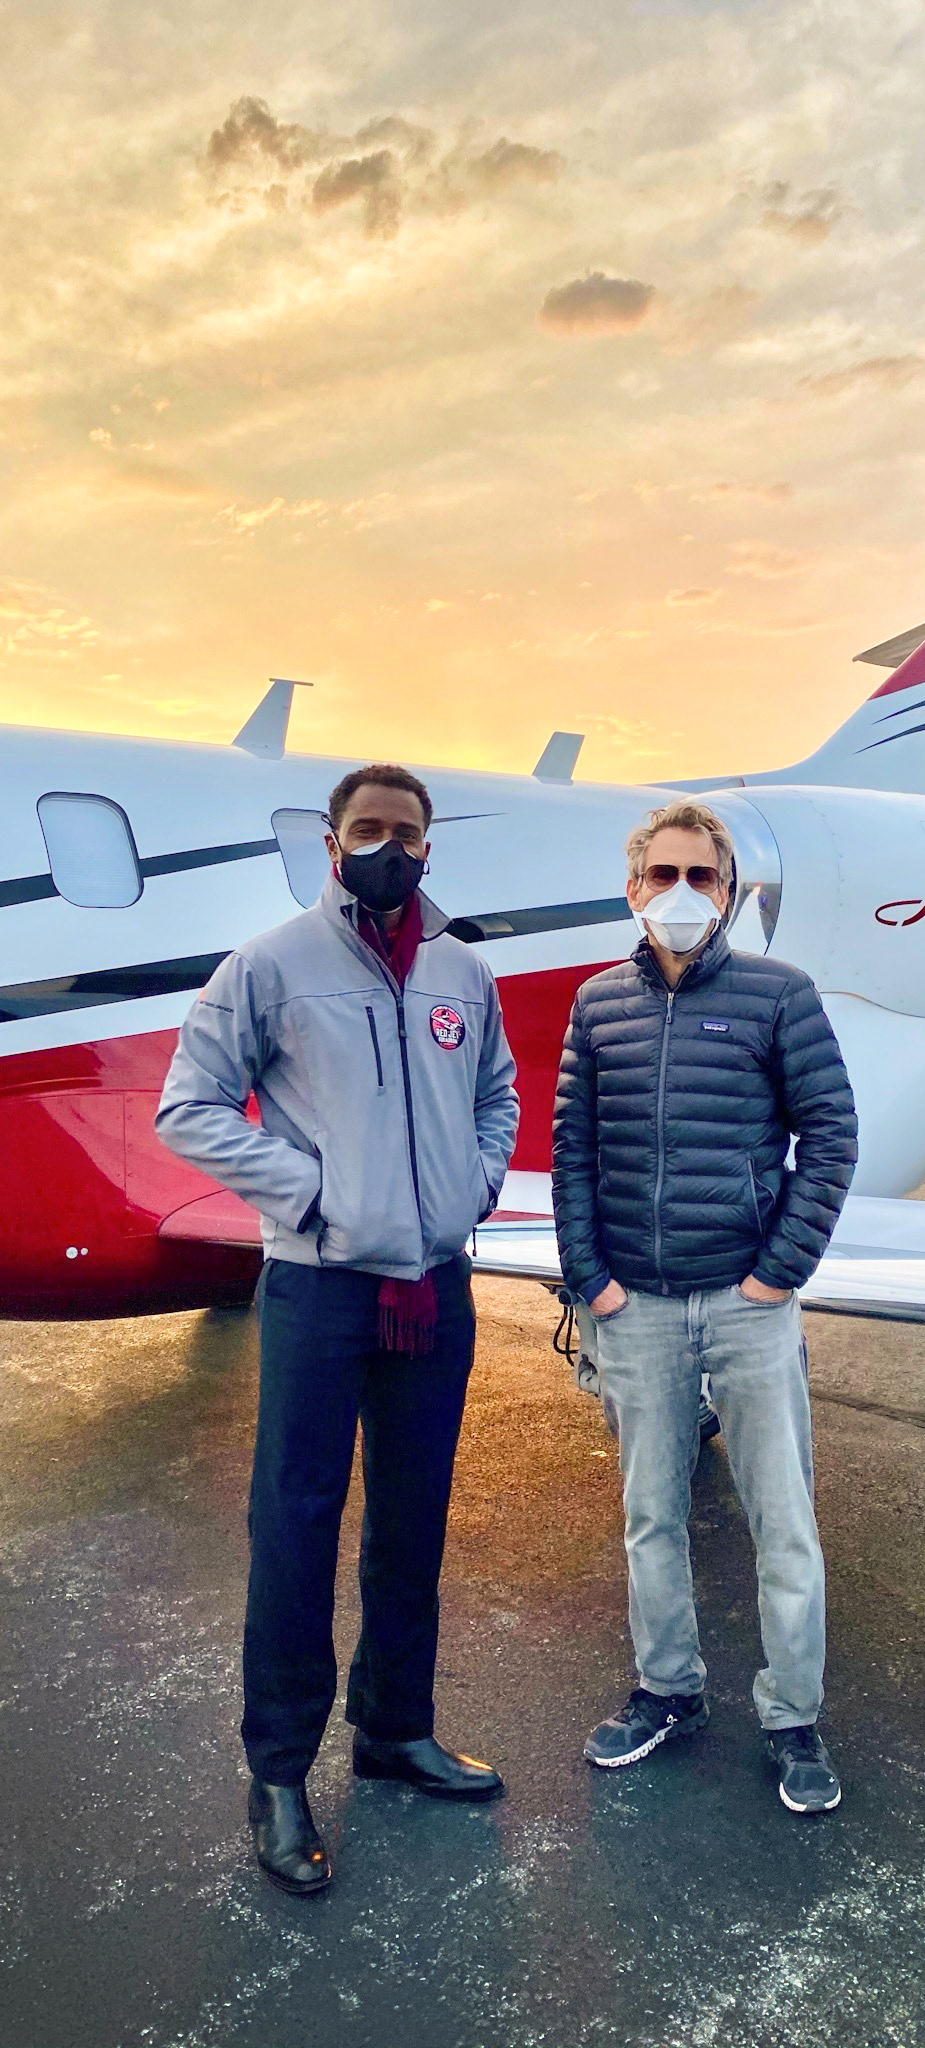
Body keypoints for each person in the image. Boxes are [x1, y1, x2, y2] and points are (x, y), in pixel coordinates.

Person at [156, 763, 518, 1894]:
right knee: (297, 1525)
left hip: (433, 1285)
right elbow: (190, 1105)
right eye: (368, 829)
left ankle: (395, 1728)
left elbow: (498, 1091)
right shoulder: (269, 964)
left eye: (406, 832)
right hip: (319, 1288)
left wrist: (473, 1182)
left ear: (429, 844)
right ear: (330, 842)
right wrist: (305, 1192)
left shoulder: (464, 970)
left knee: (413, 1519)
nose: (388, 848)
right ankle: (277, 1771)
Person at [552, 798, 857, 1813]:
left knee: (784, 1520)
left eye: (704, 876)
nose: (683, 893)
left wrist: (778, 1272)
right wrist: (592, 1280)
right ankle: (667, 1687)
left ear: (728, 891)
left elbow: (831, 1137)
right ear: (634, 888)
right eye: (664, 874)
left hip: (747, 1302)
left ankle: (793, 1715)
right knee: (652, 1515)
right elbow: (572, 1155)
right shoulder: (597, 1003)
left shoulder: (780, 995)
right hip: (634, 1304)